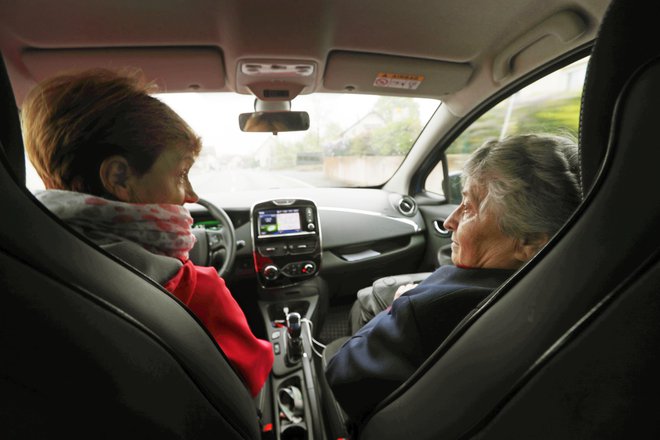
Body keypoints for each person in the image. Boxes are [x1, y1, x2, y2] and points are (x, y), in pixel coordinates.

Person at [21, 68, 274, 397]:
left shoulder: (28, 261)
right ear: (119, 178)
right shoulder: (194, 291)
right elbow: (252, 384)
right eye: (181, 173)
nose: (191, 195)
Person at [325, 133, 582, 422]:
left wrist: (395, 306)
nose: (450, 221)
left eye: (469, 208)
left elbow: (341, 375)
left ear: (530, 242)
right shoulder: (578, 290)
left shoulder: (427, 310)